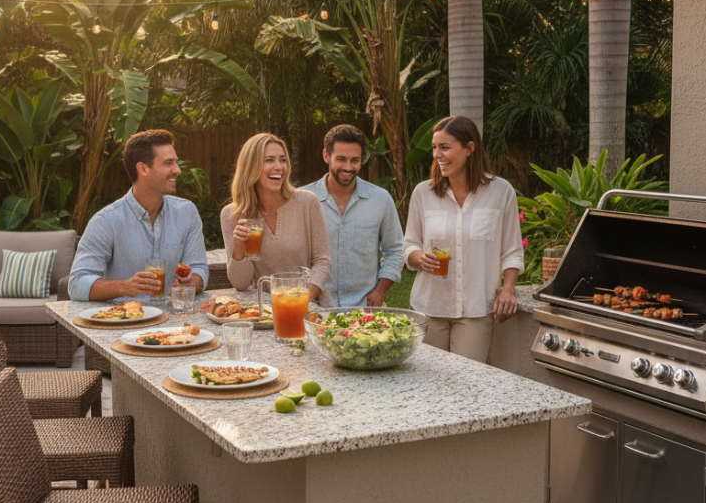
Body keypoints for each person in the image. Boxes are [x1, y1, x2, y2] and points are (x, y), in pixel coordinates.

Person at [402, 116, 524, 363]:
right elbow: (410, 244)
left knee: (468, 381)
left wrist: (508, 290)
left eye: (444, 147)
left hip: (475, 309)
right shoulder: (423, 193)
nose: (437, 154)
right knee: (427, 380)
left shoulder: (501, 192)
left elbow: (511, 250)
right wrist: (419, 257)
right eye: (434, 147)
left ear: (469, 148)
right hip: (428, 307)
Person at [68, 129, 208, 302]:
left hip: (174, 316)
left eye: (175, 162)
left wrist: (191, 282)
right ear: (143, 169)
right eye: (168, 163)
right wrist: (125, 287)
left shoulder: (187, 213)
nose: (177, 170)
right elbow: (77, 283)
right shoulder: (105, 221)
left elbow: (199, 268)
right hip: (124, 317)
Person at [220, 132, 331, 304]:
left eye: (283, 160)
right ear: (250, 166)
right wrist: (239, 247)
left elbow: (322, 262)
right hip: (266, 311)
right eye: (269, 160)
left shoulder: (307, 202)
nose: (279, 167)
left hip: (308, 307)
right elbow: (240, 284)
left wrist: (300, 299)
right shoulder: (232, 215)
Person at [301, 124, 403, 308]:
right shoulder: (302, 200)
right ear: (326, 156)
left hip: (364, 310)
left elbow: (395, 250)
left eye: (354, 160)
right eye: (341, 159)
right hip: (313, 309)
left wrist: (380, 291)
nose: (348, 167)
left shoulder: (381, 200)